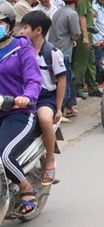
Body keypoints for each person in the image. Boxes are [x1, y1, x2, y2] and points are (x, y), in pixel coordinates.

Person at [0, 2, 42, 217]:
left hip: (17, 113)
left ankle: (25, 187)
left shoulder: (21, 49)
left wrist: (27, 97)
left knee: (3, 155)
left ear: (8, 25)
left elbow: (34, 79)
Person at [21, 10, 66, 185]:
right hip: (23, 96)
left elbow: (61, 80)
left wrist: (59, 107)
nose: (21, 31)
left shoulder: (52, 53)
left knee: (45, 120)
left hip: (45, 98)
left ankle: (49, 161)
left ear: (38, 30)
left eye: (25, 27)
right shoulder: (21, 51)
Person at [48, 0, 82, 118]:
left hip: (54, 48)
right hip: (64, 52)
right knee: (65, 80)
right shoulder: (72, 14)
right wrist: (74, 39)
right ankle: (60, 110)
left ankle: (69, 107)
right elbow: (76, 34)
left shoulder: (58, 12)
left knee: (69, 78)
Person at [73, 0, 101, 99]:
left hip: (89, 34)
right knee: (81, 62)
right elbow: (81, 17)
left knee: (91, 61)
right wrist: (84, 36)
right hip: (84, 34)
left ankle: (93, 87)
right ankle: (78, 87)